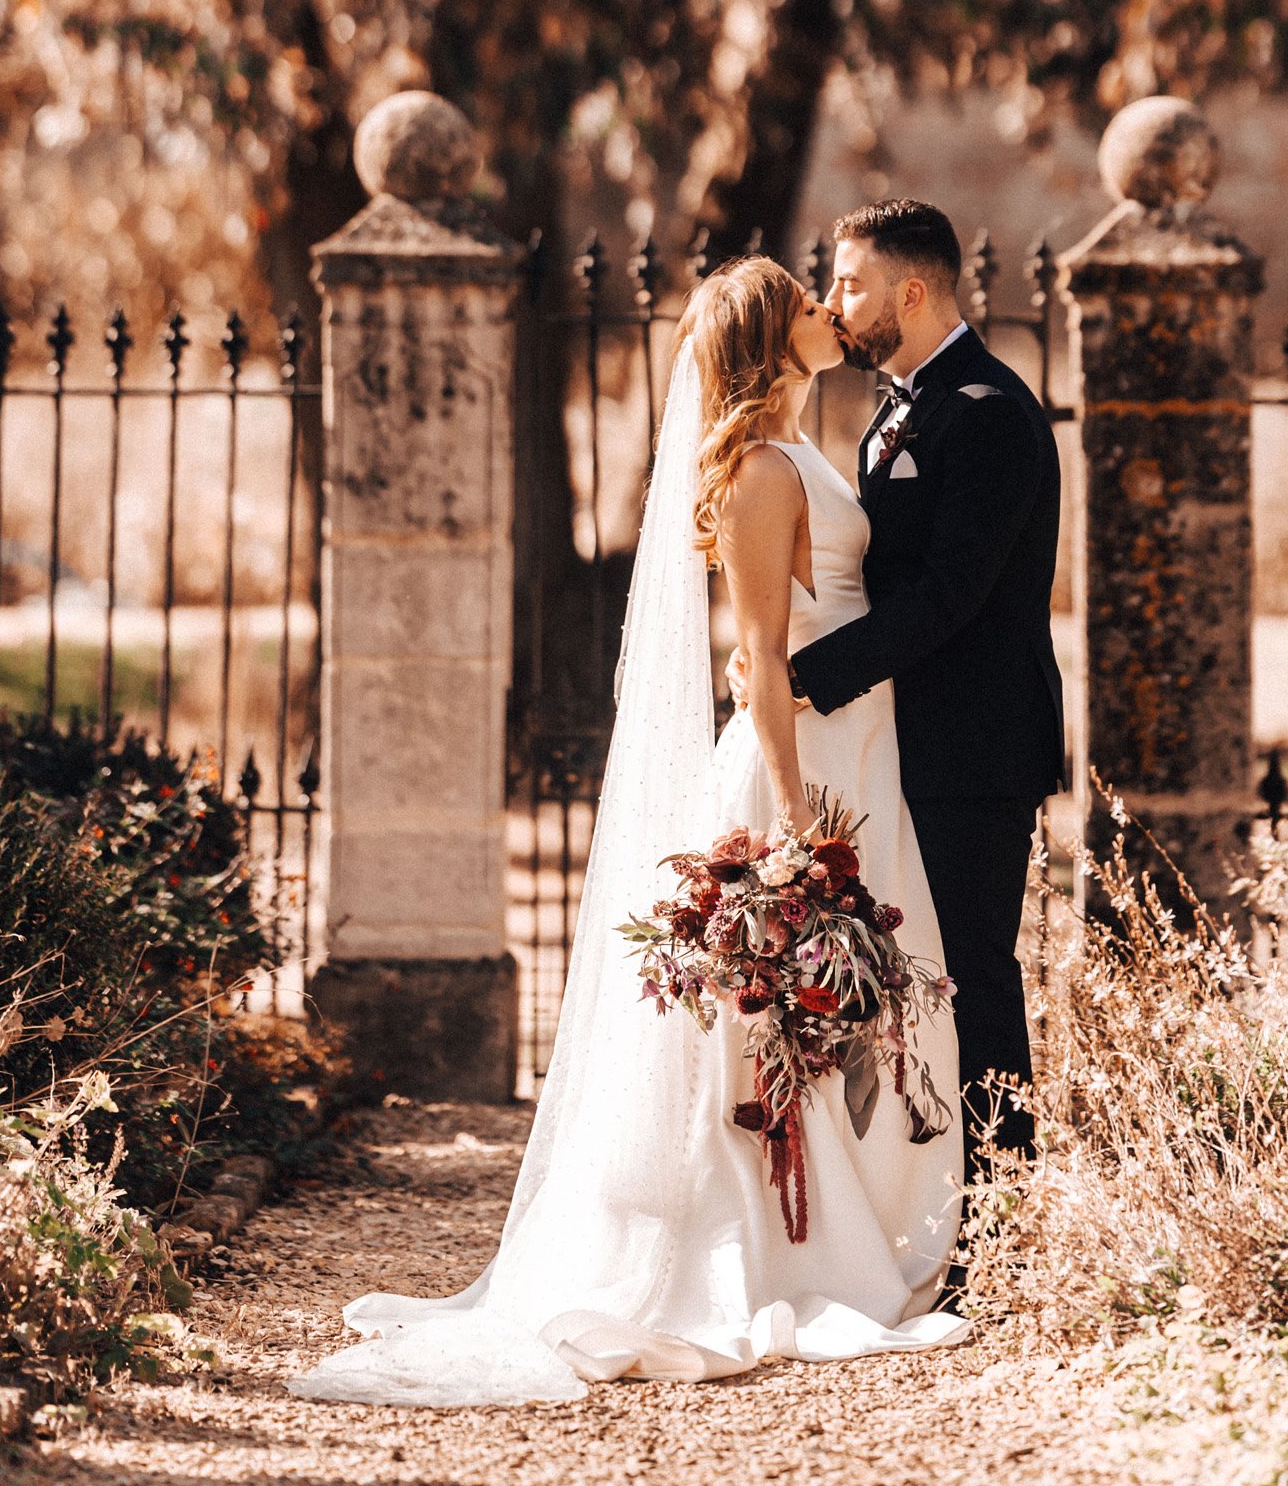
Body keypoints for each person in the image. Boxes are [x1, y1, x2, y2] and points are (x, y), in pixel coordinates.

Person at [292, 258, 967, 1403]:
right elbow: (756, 660)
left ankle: (847, 1225)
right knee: (758, 1034)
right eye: (808, 299)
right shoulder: (759, 471)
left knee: (864, 1000)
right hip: (801, 769)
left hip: (868, 751)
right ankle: (773, 1246)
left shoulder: (805, 448)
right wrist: (796, 821)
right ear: (769, 335)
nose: (826, 309)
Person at [776, 199, 1065, 1167]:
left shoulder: (985, 413)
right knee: (915, 975)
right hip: (904, 740)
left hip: (975, 748)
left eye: (850, 283)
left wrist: (806, 678)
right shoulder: (895, 412)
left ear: (910, 290)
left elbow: (949, 594)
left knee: (974, 974)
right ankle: (921, 1191)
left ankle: (1003, 1206)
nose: (833, 300)